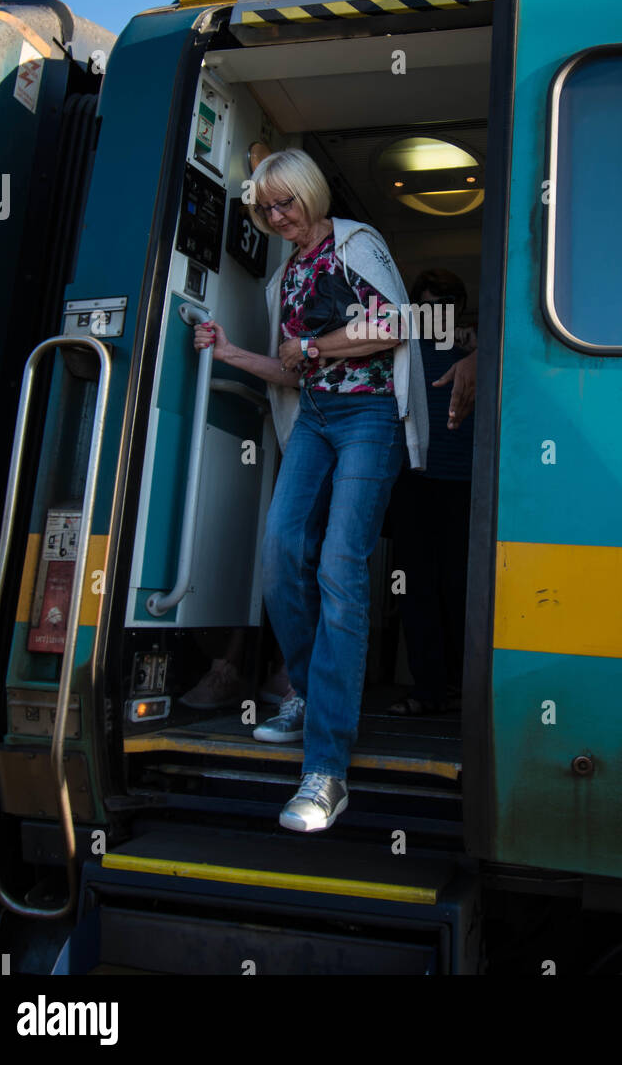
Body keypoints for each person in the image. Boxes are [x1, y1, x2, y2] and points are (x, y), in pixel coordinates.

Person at [193, 149, 428, 832]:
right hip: (317, 420)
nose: (275, 217)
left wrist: (317, 349)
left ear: (309, 194)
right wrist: (230, 351)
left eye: (284, 203)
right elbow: (293, 372)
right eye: (264, 210)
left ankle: (326, 771)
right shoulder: (286, 275)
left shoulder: (355, 241)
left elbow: (395, 325)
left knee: (339, 568)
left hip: (368, 418)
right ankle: (303, 692)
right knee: (280, 555)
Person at [387, 270, 476, 716]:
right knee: (413, 587)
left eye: (444, 306)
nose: (434, 316)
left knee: (462, 588)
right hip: (413, 483)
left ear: (459, 307)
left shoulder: (482, 346)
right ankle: (428, 693)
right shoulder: (403, 348)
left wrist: (478, 344)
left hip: (466, 487)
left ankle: (464, 689)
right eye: (425, 307)